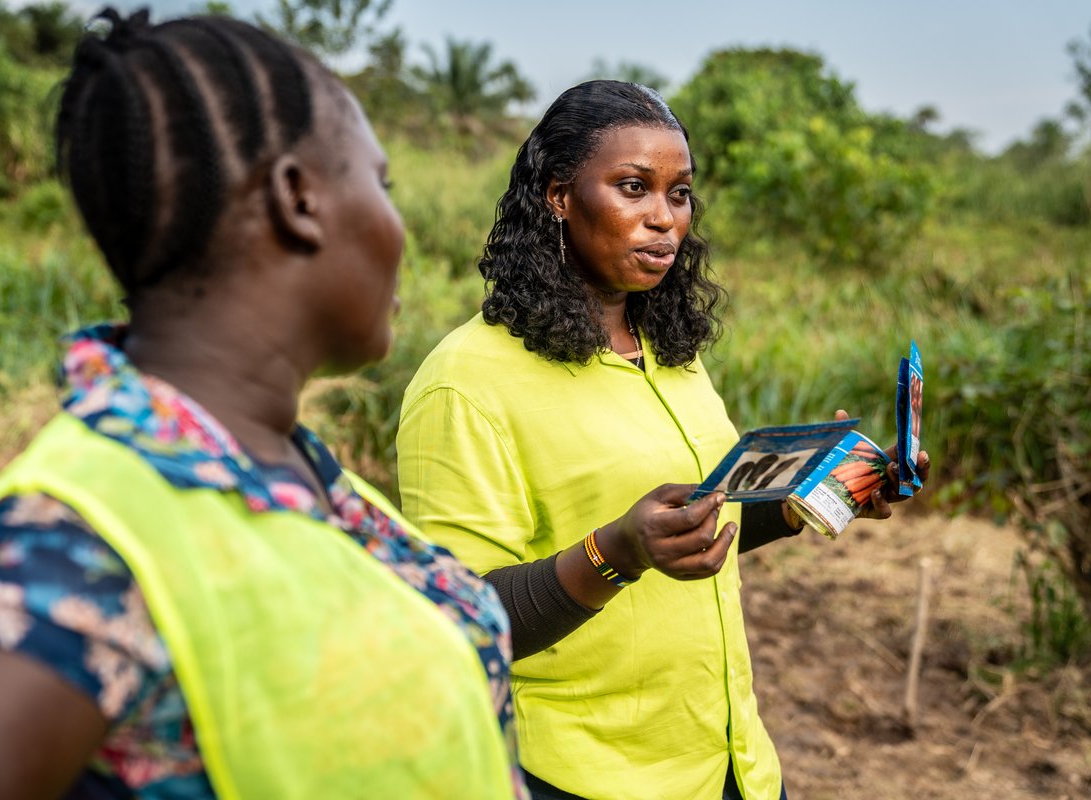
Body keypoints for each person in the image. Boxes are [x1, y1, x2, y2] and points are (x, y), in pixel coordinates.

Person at [0, 10, 525, 799]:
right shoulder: (64, 552)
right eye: (382, 182)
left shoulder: (301, 477)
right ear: (299, 198)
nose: (401, 228)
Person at [396, 80, 931, 800]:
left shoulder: (667, 349)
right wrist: (615, 552)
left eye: (678, 194)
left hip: (729, 761)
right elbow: (461, 620)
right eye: (632, 188)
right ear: (558, 196)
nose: (663, 220)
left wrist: (822, 485)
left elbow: (701, 520)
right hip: (582, 776)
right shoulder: (465, 383)